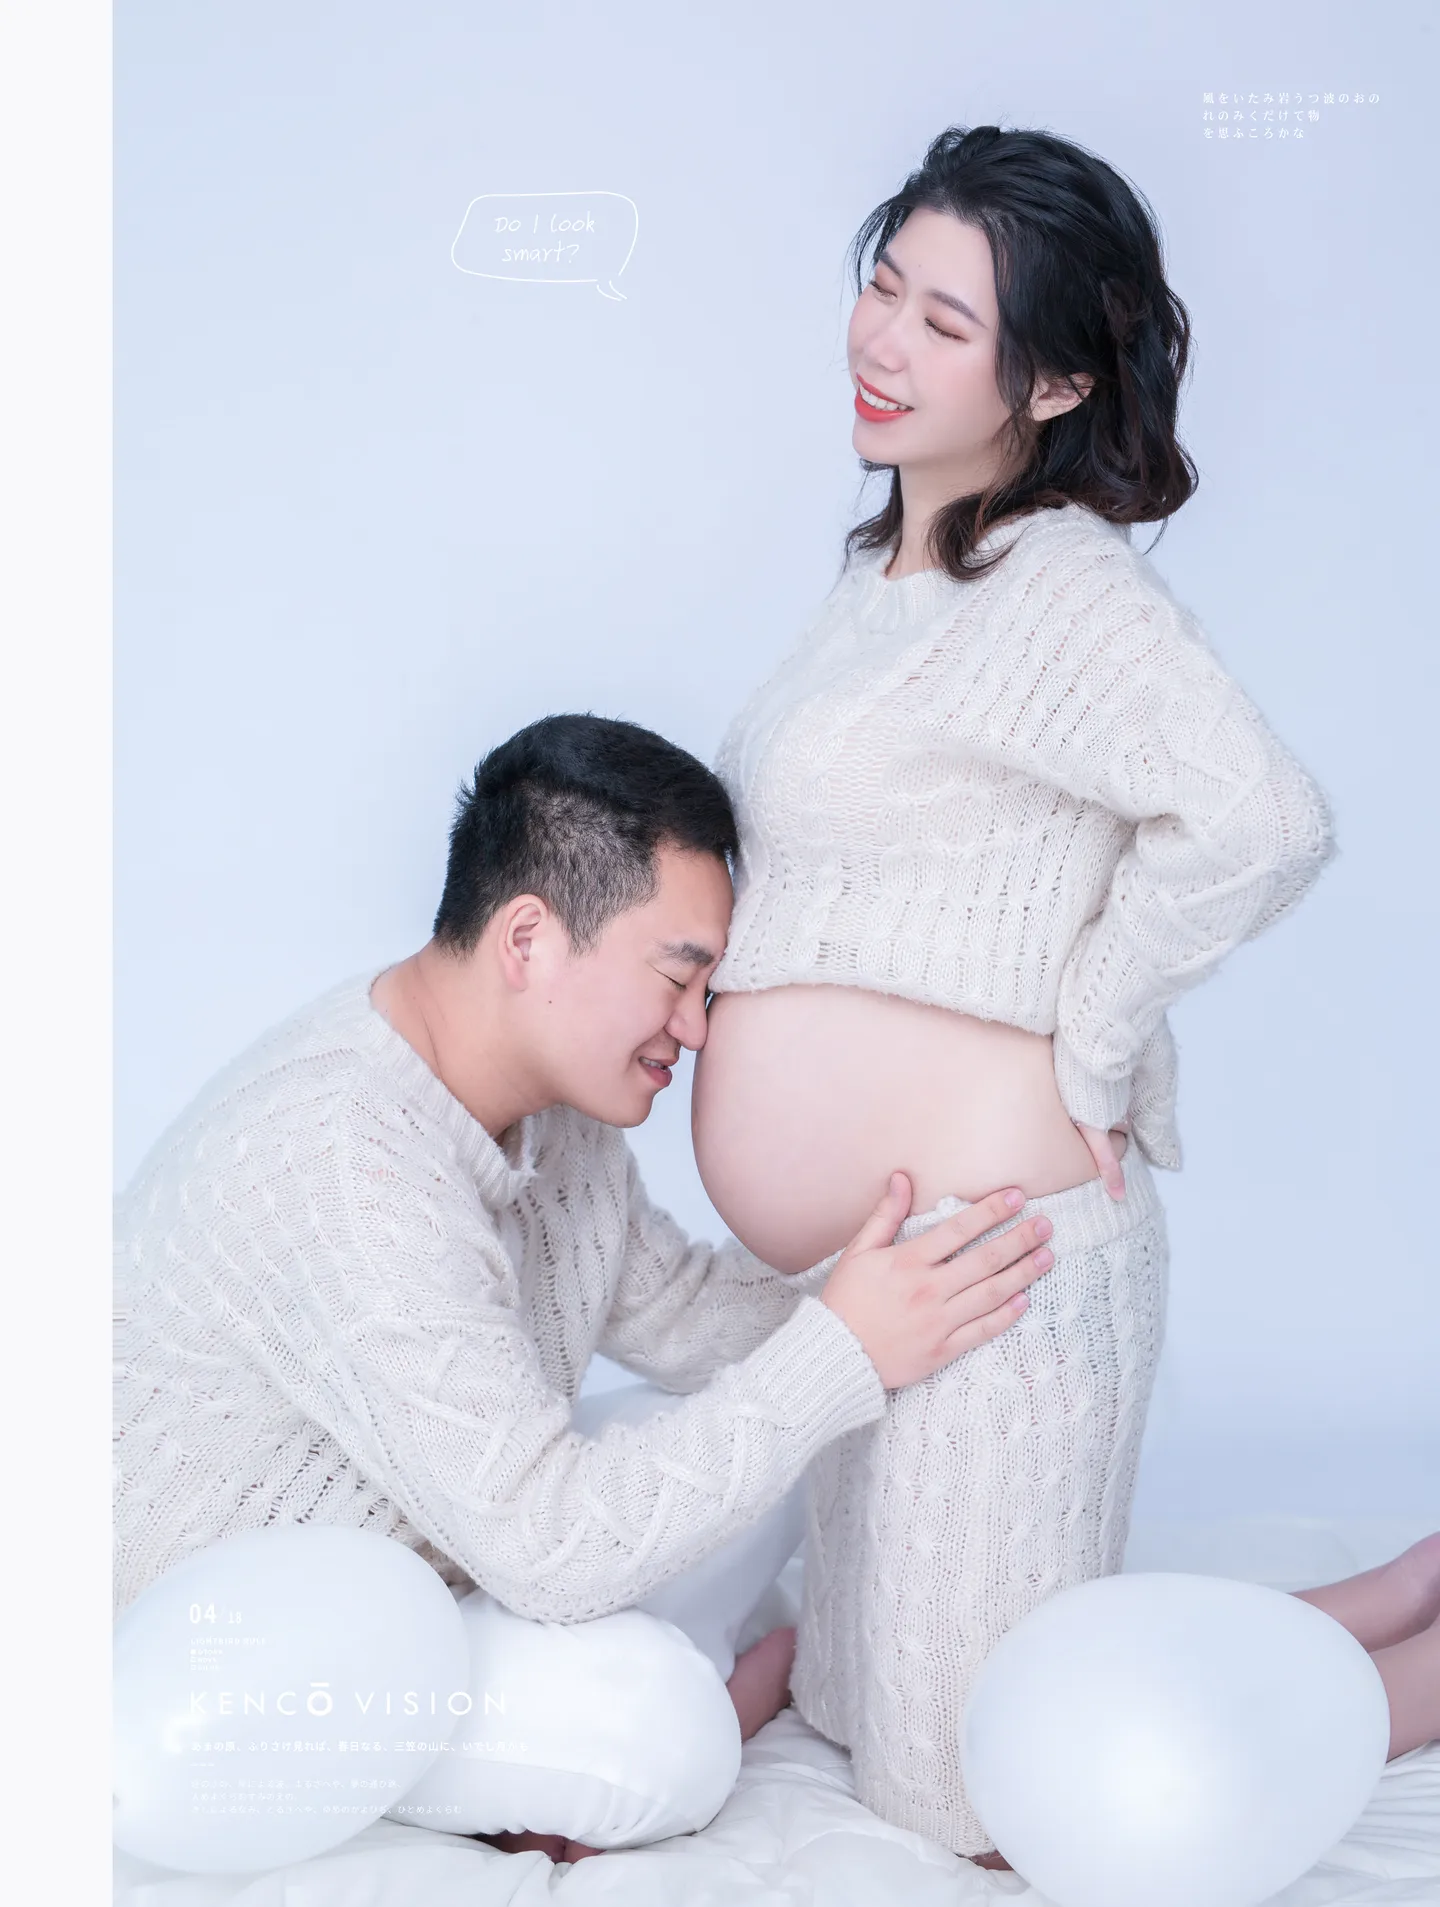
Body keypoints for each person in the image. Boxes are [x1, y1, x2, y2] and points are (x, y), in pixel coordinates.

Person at [688, 124, 1344, 1863]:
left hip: (1006, 1273)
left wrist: (1099, 1036)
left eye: (946, 321)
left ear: (1052, 382)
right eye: (882, 285)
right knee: (854, 1707)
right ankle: (1374, 1605)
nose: (882, 340)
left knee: (978, 1799)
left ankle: (1396, 1666)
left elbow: (1265, 818)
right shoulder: (878, 577)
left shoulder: (1058, 585)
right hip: (876, 1270)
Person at [112, 712, 1059, 1863]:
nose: (697, 1028)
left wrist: (931, 1235)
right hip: (230, 1654)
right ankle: (683, 1712)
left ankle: (587, 1741)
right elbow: (548, 1547)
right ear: (529, 938)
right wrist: (845, 1348)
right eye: (680, 974)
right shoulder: (346, 1162)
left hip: (440, 1553)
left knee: (770, 1414)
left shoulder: (552, 1110)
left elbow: (689, 1316)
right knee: (661, 1730)